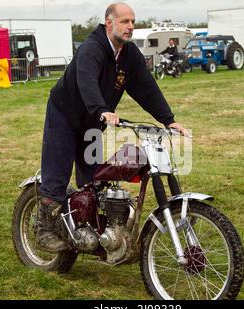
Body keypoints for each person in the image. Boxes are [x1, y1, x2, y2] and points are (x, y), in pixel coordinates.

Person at [36, 2, 188, 252]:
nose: (130, 27)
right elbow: (86, 81)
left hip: (93, 123)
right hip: (65, 114)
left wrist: (167, 119)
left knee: (94, 180)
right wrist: (102, 109)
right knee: (57, 175)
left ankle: (92, 231)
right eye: (125, 21)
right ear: (109, 22)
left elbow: (146, 88)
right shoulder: (91, 48)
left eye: (133, 22)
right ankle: (43, 228)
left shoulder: (129, 55)